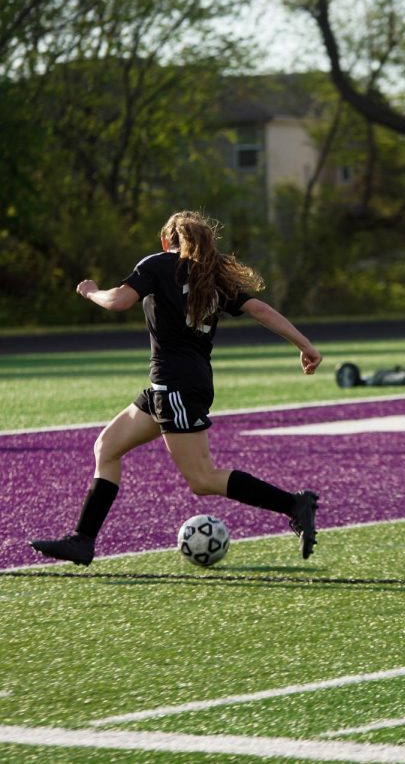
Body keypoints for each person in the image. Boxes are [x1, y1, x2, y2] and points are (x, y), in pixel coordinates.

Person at [30, 210, 322, 566]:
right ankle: (82, 540)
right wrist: (305, 345)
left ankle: (294, 503)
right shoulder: (209, 274)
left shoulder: (159, 264)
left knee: (202, 478)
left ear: (167, 240)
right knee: (107, 447)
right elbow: (259, 308)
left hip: (176, 387)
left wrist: (92, 293)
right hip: (170, 386)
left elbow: (119, 301)